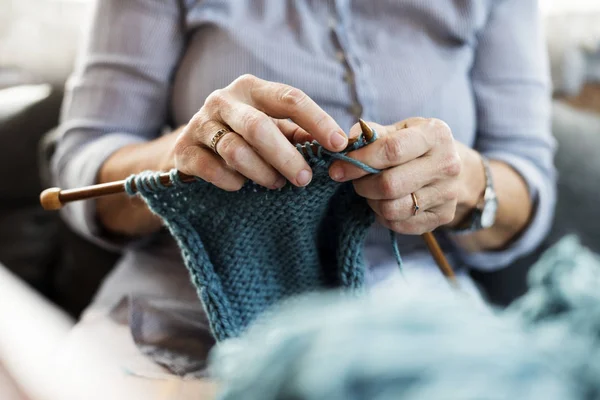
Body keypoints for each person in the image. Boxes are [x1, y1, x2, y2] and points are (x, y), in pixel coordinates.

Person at [50, 0, 555, 398]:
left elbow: (528, 187)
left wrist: (464, 182)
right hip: (180, 316)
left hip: (413, 319)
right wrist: (183, 156)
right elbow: (82, 166)